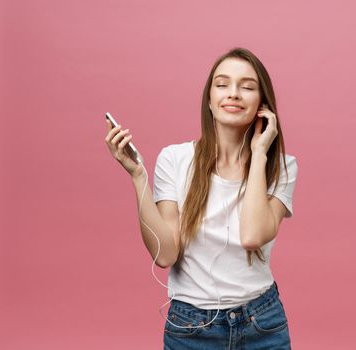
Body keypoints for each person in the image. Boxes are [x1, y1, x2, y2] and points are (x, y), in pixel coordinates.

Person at [105, 47, 298, 349]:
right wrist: (138, 176)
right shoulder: (174, 159)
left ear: (262, 104)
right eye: (222, 85)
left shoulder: (281, 167)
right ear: (209, 100)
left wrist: (260, 154)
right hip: (191, 327)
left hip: (262, 323)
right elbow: (166, 255)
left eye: (247, 87)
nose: (233, 93)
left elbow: (252, 236)